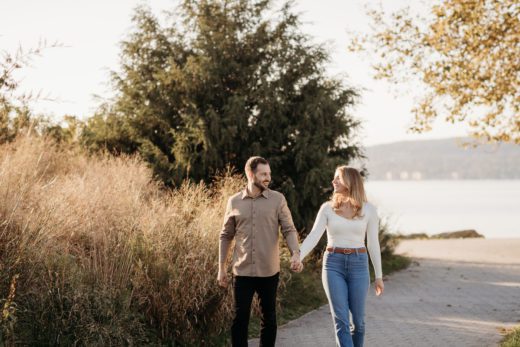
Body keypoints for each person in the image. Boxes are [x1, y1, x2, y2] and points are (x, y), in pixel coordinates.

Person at [218, 156, 302, 347]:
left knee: (269, 319)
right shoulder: (234, 202)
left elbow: (289, 229)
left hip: (269, 271)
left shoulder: (277, 199)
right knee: (240, 320)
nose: (268, 178)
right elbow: (225, 236)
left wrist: (295, 253)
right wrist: (221, 268)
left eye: (269, 174)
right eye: (263, 174)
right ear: (250, 174)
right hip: (242, 271)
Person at [299, 166, 384, 347]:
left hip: (359, 264)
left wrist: (378, 276)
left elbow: (373, 244)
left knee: (359, 323)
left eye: (337, 178)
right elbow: (314, 236)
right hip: (333, 264)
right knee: (341, 321)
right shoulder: (327, 209)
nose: (333, 181)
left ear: (350, 181)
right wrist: (298, 256)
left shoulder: (369, 210)